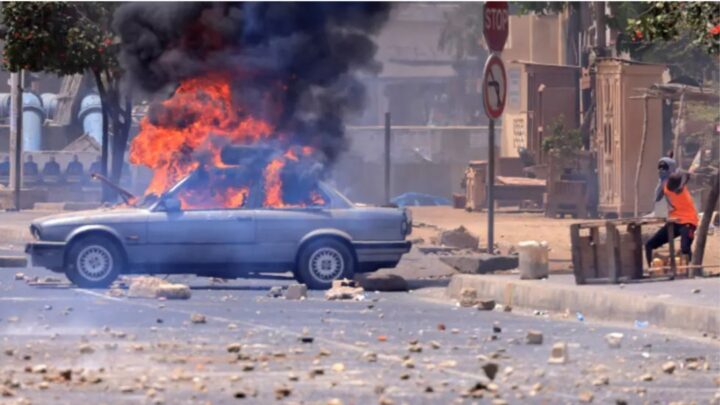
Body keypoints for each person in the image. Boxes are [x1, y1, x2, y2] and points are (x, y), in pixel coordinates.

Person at [645, 157, 699, 266]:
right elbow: (656, 198)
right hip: (674, 221)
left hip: (688, 220)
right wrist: (661, 182)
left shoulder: (677, 178)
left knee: (685, 248)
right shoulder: (663, 183)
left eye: (664, 168)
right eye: (659, 168)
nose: (661, 170)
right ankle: (653, 271)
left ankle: (689, 271)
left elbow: (681, 179)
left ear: (670, 169)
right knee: (649, 245)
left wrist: (684, 173)